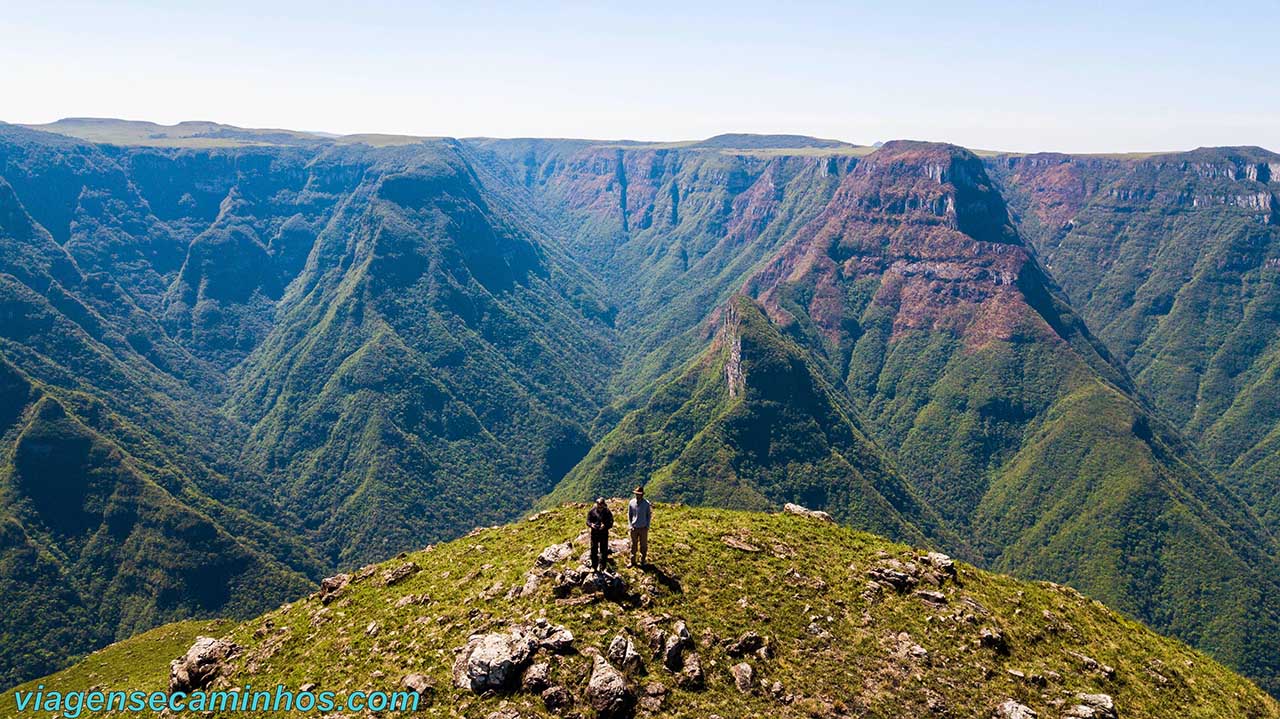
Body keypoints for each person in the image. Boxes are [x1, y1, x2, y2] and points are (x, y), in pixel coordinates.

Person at [586, 497, 614, 572]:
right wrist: (591, 525)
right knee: (593, 550)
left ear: (603, 505)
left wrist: (605, 525)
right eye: (598, 505)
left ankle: (603, 566)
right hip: (594, 534)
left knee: (604, 550)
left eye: (601, 506)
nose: (600, 507)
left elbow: (611, 522)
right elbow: (588, 521)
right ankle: (594, 566)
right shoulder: (592, 511)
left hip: (604, 534)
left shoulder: (607, 512)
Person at [628, 486, 652, 567]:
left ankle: (642, 560)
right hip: (634, 528)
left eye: (639, 494)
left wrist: (647, 526)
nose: (637, 495)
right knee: (633, 545)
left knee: (643, 545)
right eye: (636, 494)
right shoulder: (631, 503)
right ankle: (632, 561)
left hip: (643, 528)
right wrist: (630, 525)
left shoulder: (646, 504)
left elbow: (649, 515)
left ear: (642, 495)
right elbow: (629, 515)